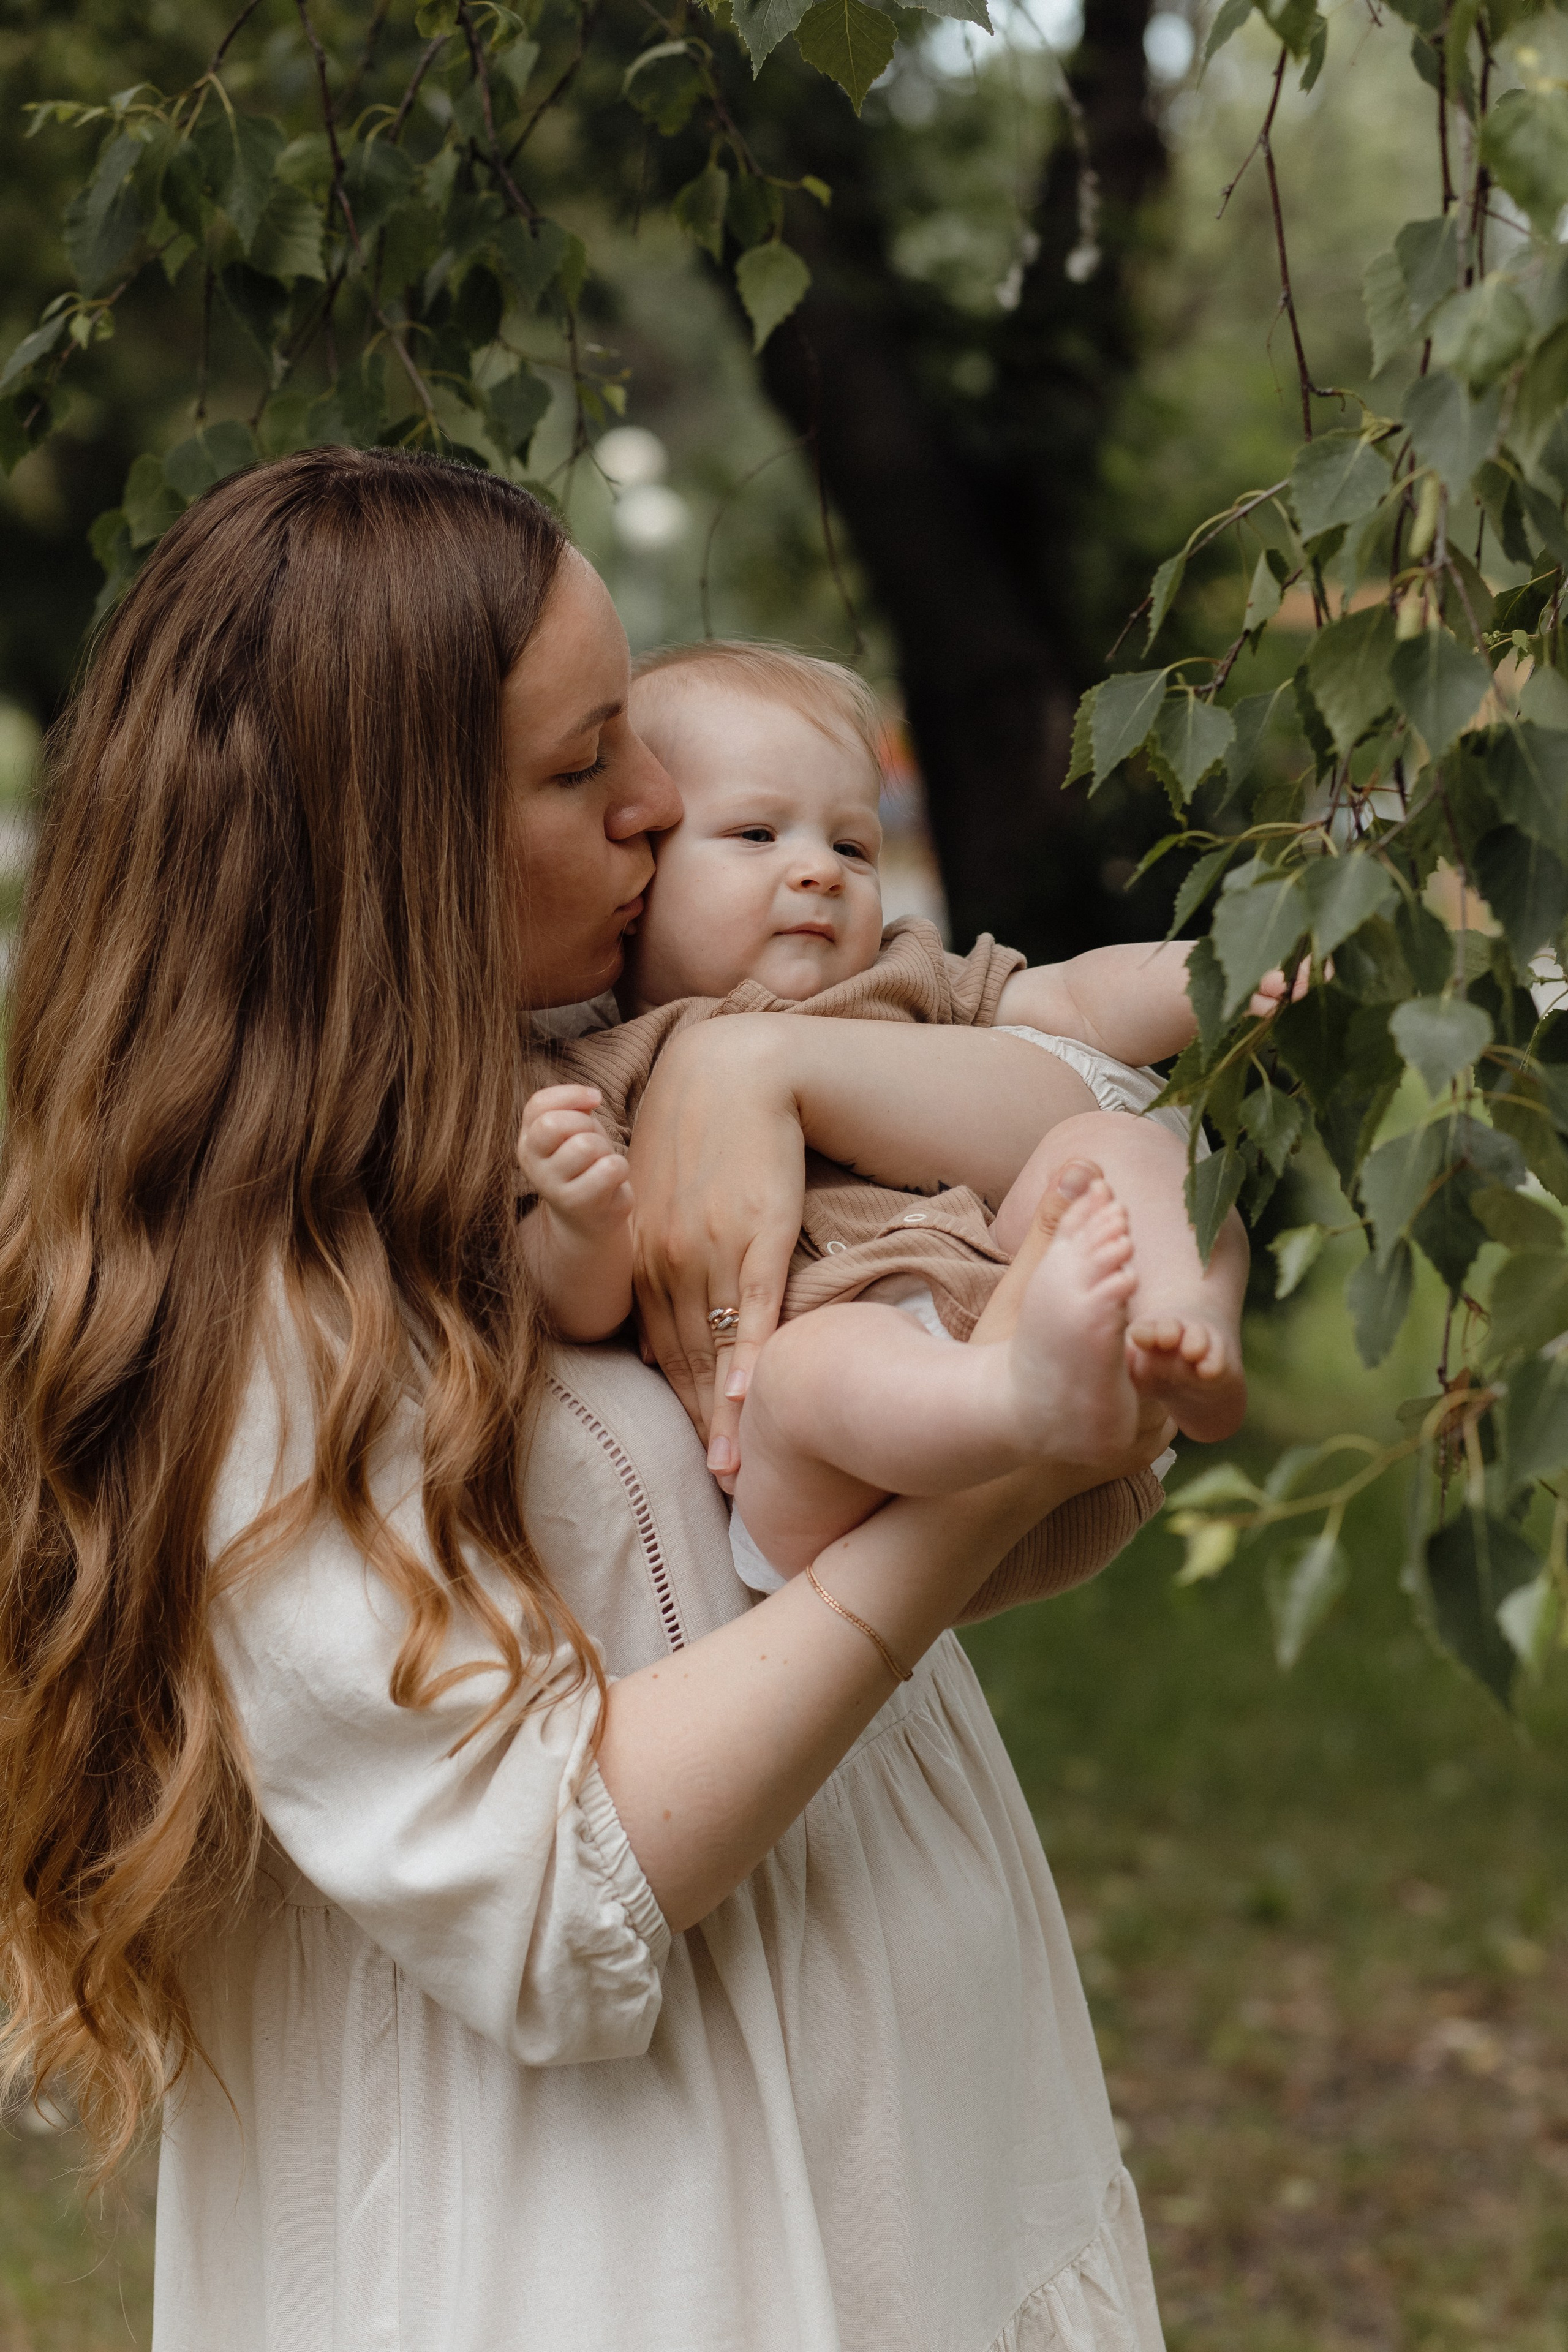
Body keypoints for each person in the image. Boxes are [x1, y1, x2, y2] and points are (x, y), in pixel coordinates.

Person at [0, 447, 1173, 2352]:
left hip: (911, 2160)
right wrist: (976, 1484)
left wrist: (774, 1067)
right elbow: (555, 1902)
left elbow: (1113, 1124)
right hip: (630, 2244)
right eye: (579, 770)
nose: (658, 805)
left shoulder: (586, 1077)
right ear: (377, 834)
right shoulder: (262, 1313)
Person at [524, 640, 1274, 1585]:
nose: (821, 871)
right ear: (640, 877)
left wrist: (1235, 964)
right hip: (842, 1487)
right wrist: (579, 1215)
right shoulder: (592, 1072)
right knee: (805, 1372)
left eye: (851, 844)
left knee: (1122, 1147)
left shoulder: (901, 976)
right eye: (757, 835)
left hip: (1043, 1370)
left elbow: (1082, 1002)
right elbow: (572, 1304)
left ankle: (1183, 1327)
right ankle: (1007, 1397)